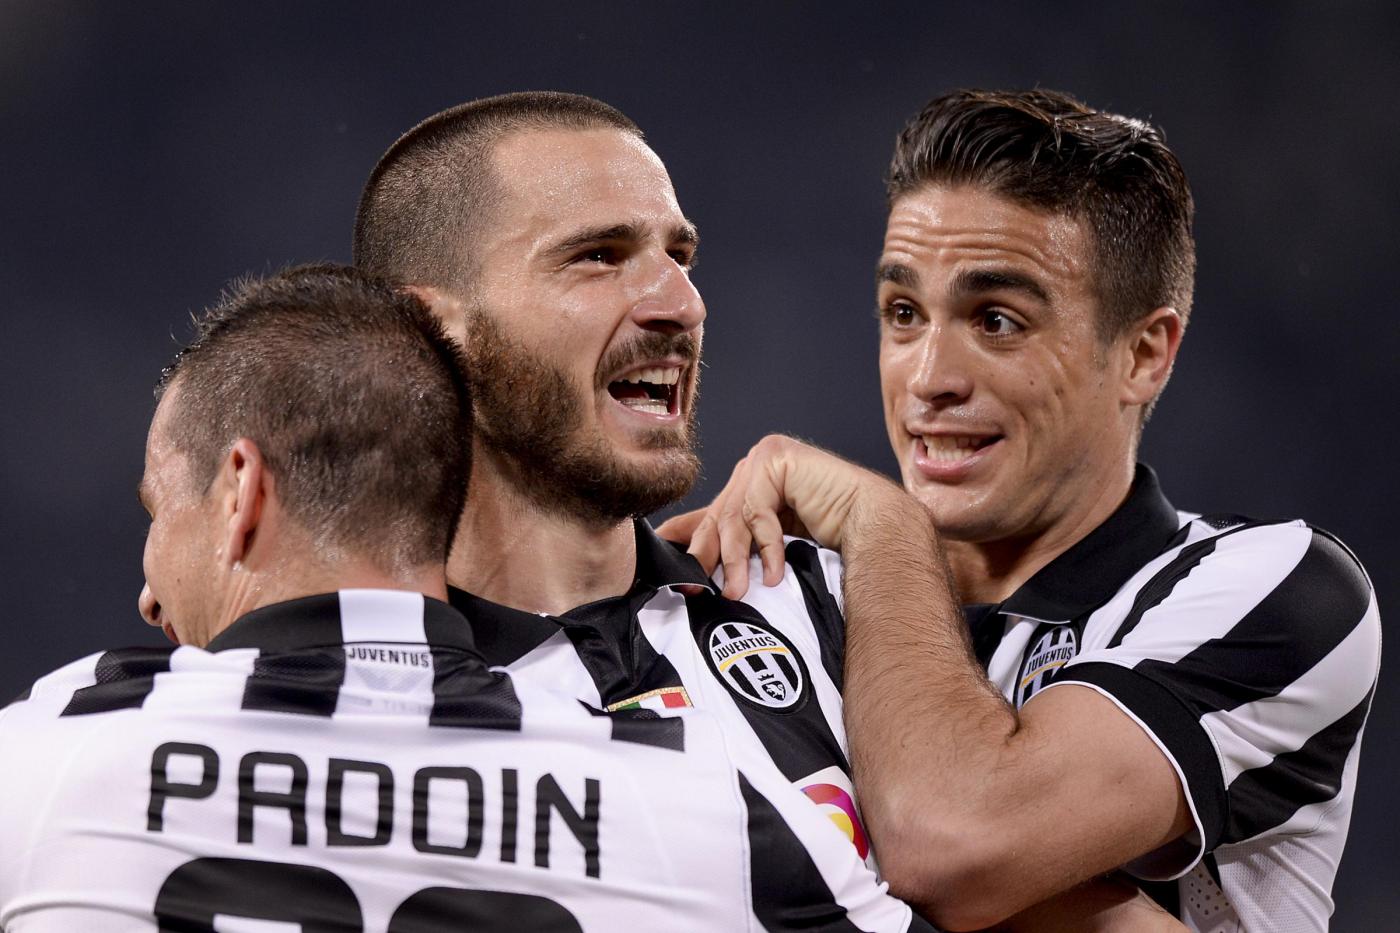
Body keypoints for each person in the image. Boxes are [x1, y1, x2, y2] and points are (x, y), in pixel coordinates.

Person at [0, 265, 923, 932]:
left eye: (159, 512)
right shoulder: (692, 795)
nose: (147, 593)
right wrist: (888, 522)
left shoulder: (50, 757)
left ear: (241, 490)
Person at [667, 89, 1380, 932]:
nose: (929, 377)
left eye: (997, 320)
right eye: (904, 313)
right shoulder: (787, 599)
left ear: (1143, 354)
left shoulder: (1277, 589)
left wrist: (881, 520)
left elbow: (950, 840)